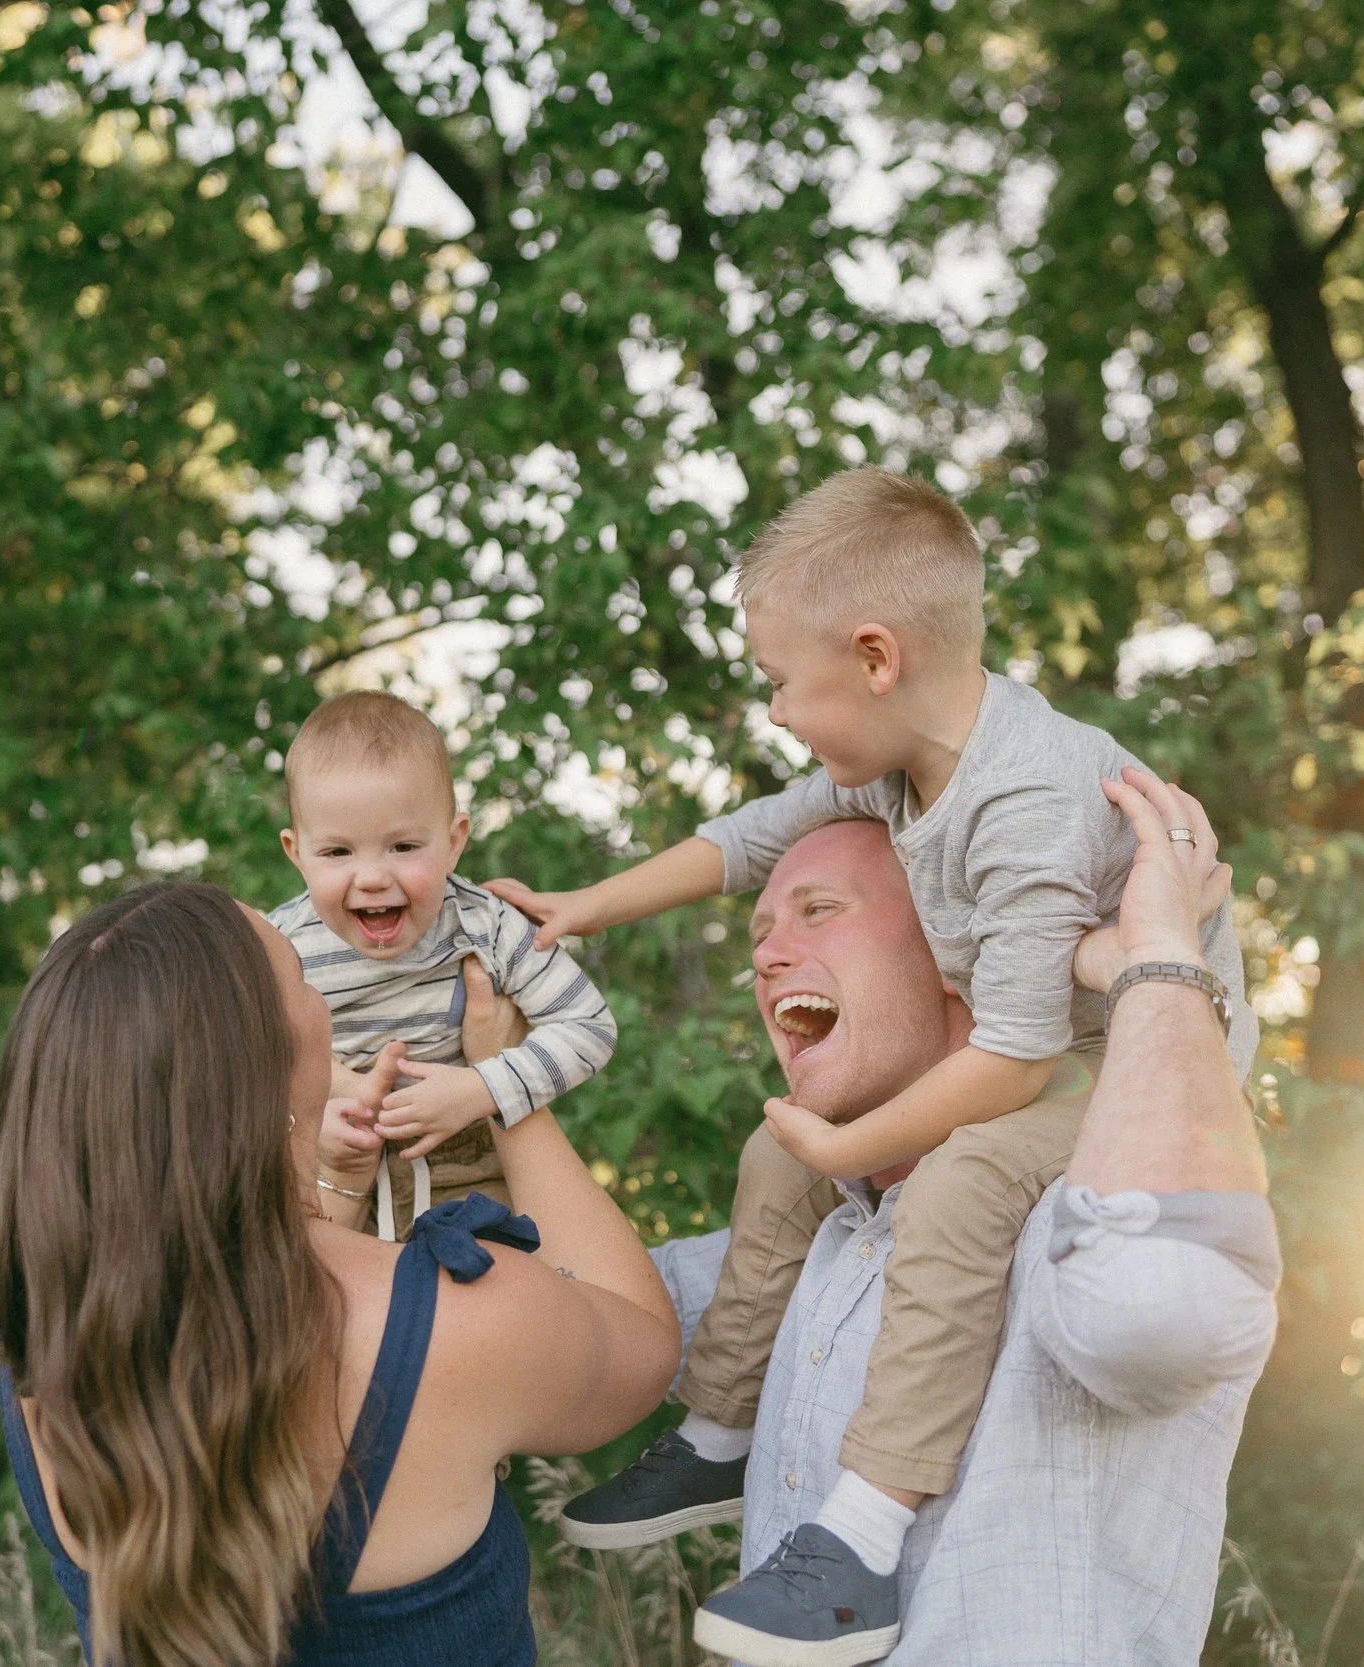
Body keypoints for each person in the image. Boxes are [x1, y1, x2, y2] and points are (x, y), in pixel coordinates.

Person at [493, 471, 1254, 1640]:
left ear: (874, 658)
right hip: (1038, 1037)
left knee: (957, 1176)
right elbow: (748, 838)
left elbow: (1011, 1058)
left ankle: (864, 1529)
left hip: (1107, 1073)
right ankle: (717, 1433)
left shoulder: (1028, 804)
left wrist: (846, 1141)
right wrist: (583, 907)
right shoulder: (903, 765)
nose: (776, 714)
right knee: (776, 1158)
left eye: (778, 682)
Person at [0, 880, 679, 1667]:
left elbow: (237, 1335)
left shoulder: (35, 1301)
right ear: (274, 1065)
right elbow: (643, 1343)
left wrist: (332, 1185)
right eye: (304, 975)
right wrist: (504, 1085)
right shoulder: (448, 1325)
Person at [653, 778, 1278, 1664]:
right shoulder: (820, 1239)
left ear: (962, 950)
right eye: (761, 934)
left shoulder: (1071, 1232)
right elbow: (593, 1317)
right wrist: (502, 1082)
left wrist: (1161, 956)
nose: (767, 957)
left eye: (818, 911)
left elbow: (1161, 1311)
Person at [272, 690, 618, 1240]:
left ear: (454, 842)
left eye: (403, 847)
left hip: (472, 1173)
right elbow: (235, 1059)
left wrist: (481, 1088)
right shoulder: (281, 947)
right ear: (297, 853)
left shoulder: (486, 928)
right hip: (330, 1173)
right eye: (338, 852)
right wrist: (318, 1094)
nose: (372, 878)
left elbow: (590, 1027)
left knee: (495, 1281)